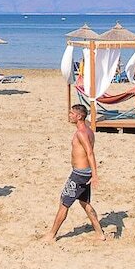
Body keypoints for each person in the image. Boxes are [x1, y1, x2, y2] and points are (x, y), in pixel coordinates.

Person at [47, 104, 106, 243]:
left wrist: (95, 175)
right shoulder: (89, 130)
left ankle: (51, 235)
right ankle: (99, 233)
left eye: (72, 113)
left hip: (79, 174)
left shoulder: (81, 133)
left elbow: (90, 153)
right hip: (85, 173)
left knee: (64, 203)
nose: (69, 115)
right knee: (85, 203)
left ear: (79, 116)